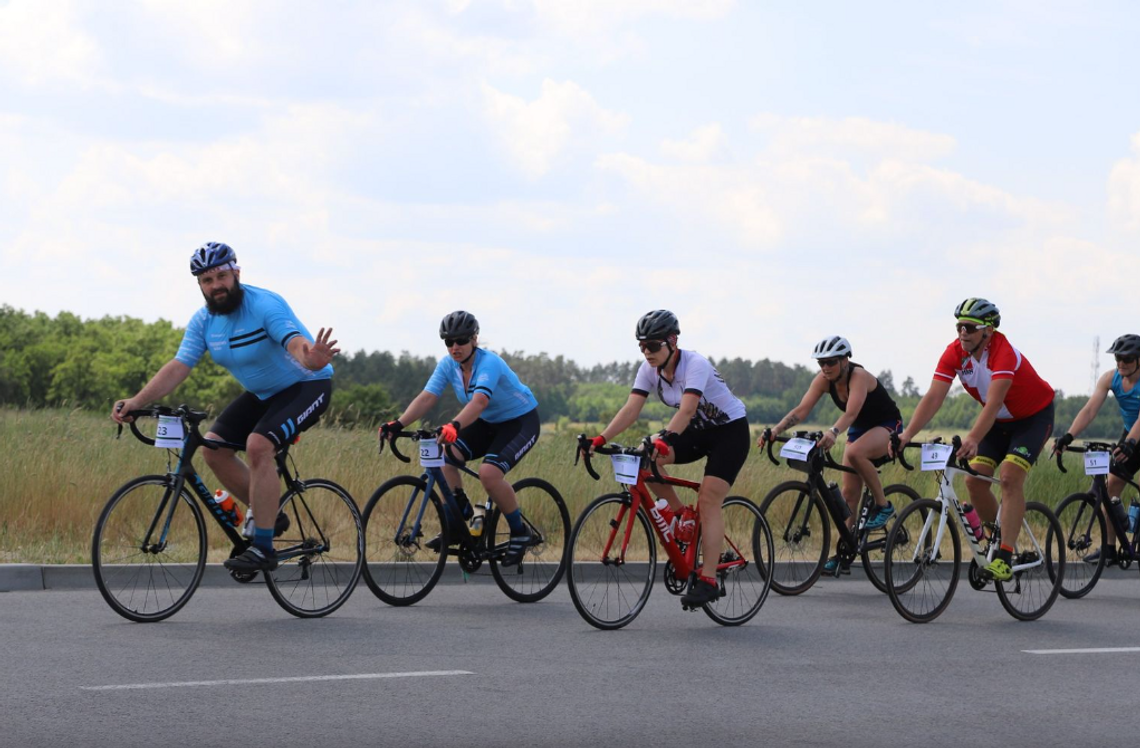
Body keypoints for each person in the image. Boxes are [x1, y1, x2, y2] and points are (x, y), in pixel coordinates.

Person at [112, 242, 338, 573]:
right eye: (206, 280)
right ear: (200, 285)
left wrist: (311, 358)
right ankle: (268, 513)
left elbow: (294, 343)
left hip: (307, 386)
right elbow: (179, 365)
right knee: (213, 450)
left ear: (236, 273)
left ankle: (262, 548)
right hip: (262, 393)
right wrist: (136, 401)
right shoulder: (203, 321)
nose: (215, 285)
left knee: (258, 445)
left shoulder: (264, 305)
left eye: (221, 276)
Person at [583, 309, 750, 609]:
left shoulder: (694, 364)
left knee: (710, 498)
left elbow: (686, 410)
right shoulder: (648, 370)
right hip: (696, 431)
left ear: (672, 341)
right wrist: (601, 438)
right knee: (644, 459)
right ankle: (680, 516)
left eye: (653, 346)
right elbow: (631, 409)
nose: (647, 352)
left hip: (729, 432)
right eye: (642, 346)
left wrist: (663, 438)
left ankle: (709, 580)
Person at [892, 298, 1055, 581]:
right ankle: (998, 537)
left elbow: (993, 403)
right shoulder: (955, 353)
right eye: (959, 327)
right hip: (999, 423)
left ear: (988, 331)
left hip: (1032, 418)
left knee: (1009, 476)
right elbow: (933, 397)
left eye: (969, 327)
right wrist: (907, 435)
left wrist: (973, 438)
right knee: (973, 480)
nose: (962, 333)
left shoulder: (1003, 354)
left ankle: (1004, 556)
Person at [378, 311, 541, 566]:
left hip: (520, 422)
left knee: (489, 473)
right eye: (449, 342)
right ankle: (458, 517)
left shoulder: (489, 363)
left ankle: (520, 532)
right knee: (445, 458)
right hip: (487, 422)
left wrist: (454, 425)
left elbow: (479, 402)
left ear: (474, 339)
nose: (455, 347)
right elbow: (427, 397)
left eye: (461, 340)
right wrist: (398, 424)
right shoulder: (447, 365)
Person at [757, 336, 904, 575]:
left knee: (855, 452)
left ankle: (883, 505)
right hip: (859, 428)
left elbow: (851, 412)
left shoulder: (859, 377)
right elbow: (801, 410)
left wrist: (834, 432)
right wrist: (775, 430)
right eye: (821, 363)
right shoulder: (824, 380)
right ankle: (846, 550)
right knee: (848, 496)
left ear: (846, 360)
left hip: (887, 424)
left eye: (831, 362)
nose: (825, 367)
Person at [1054, 334, 1140, 565]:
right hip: (1130, 434)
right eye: (1118, 358)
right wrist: (1069, 436)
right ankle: (1110, 549)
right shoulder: (1110, 379)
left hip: (1135, 435)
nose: (1121, 363)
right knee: (1109, 487)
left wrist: (1131, 443)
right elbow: (1090, 410)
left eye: (1127, 358)